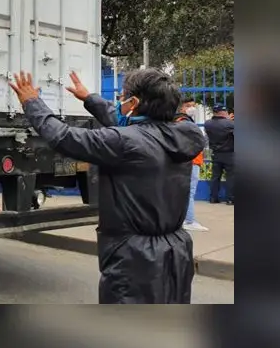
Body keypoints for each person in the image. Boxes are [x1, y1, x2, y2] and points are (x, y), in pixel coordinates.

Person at [13, 69, 205, 304]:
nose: (119, 102)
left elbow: (63, 137)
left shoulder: (124, 142)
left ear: (133, 103)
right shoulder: (186, 135)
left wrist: (32, 102)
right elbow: (125, 122)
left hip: (135, 258)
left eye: (123, 97)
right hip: (177, 251)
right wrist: (89, 98)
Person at [180, 98, 209, 231]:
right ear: (181, 108)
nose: (192, 108)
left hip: (190, 160)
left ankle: (185, 219)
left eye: (193, 105)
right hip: (191, 161)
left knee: (186, 191)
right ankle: (189, 220)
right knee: (189, 191)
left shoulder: (185, 122)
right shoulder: (184, 123)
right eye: (188, 106)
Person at [204, 104, 235, 205]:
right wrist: (229, 121)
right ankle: (230, 199)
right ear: (222, 112)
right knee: (231, 176)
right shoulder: (229, 124)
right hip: (229, 153)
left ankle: (213, 198)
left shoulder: (207, 123)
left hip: (215, 154)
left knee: (215, 176)